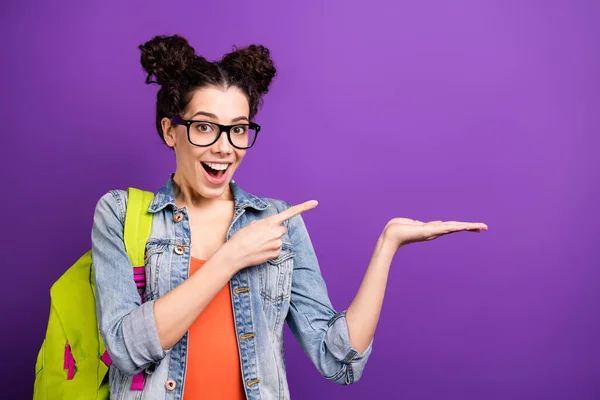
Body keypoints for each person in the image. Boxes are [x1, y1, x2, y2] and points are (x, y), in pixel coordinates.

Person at [91, 34, 488, 400]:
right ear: (170, 131)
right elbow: (126, 350)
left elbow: (338, 361)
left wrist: (388, 244)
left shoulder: (278, 223)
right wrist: (230, 258)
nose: (224, 147)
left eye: (239, 129)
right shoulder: (121, 213)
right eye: (205, 127)